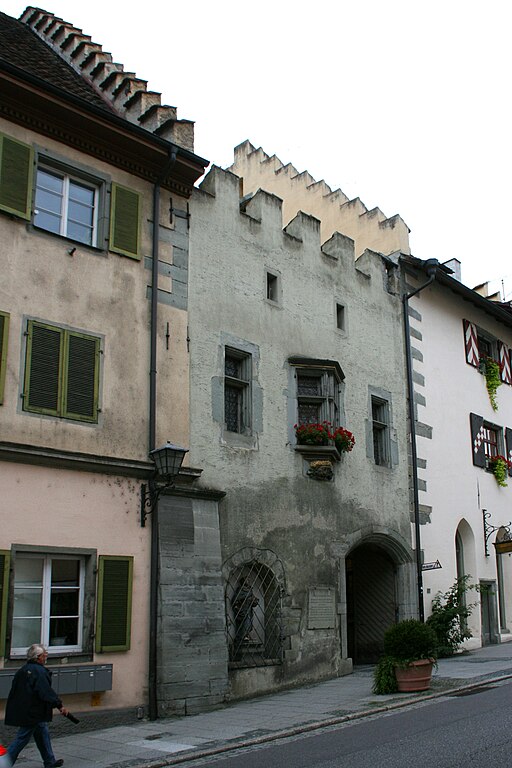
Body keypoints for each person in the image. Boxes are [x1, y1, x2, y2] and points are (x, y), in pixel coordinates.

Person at [4, 644, 68, 768]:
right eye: (44, 655)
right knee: (22, 738)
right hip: (33, 711)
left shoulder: (23, 670)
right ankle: (4, 763)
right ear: (38, 657)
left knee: (42, 733)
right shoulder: (39, 671)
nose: (46, 657)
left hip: (27, 709)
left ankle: (49, 761)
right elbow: (45, 692)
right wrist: (60, 706)